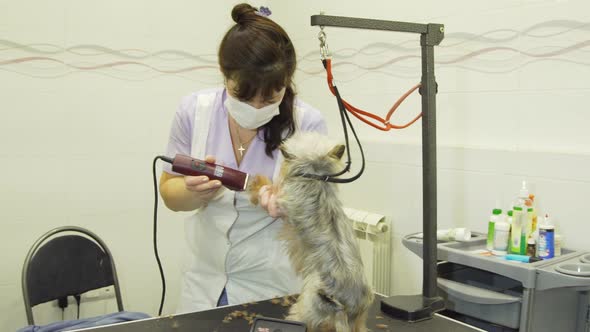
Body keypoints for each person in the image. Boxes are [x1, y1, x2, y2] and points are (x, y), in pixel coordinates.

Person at [159, 3, 327, 313]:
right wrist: (194, 193)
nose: (255, 106)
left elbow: (319, 216)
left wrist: (290, 204)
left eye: (270, 98)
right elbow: (170, 193)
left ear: (286, 83)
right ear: (225, 75)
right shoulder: (194, 112)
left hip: (273, 285)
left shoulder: (308, 125)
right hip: (203, 282)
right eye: (242, 96)